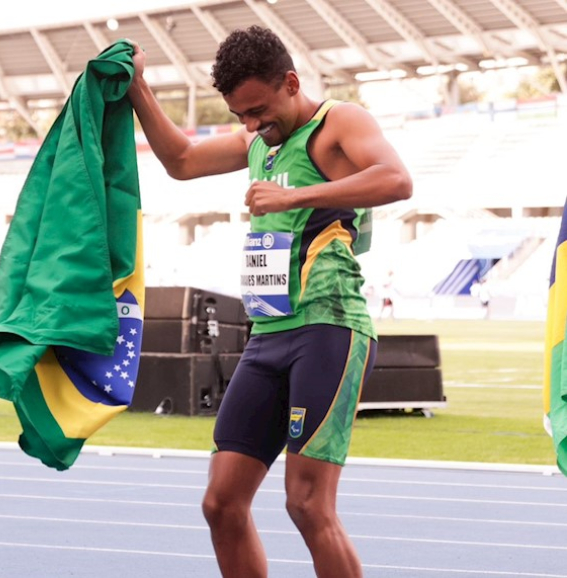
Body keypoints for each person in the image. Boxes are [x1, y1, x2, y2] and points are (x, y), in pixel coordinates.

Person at [127, 26, 412, 578]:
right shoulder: (258, 142)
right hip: (269, 336)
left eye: (259, 110)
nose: (252, 125)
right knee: (221, 502)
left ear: (291, 82)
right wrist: (139, 87)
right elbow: (182, 160)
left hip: (330, 330)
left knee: (307, 504)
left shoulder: (339, 122)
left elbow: (397, 180)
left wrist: (294, 195)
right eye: (240, 116)